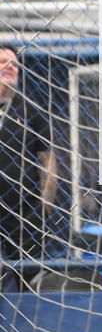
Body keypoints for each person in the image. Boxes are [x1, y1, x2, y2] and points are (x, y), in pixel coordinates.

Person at [0, 44, 57, 292]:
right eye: (3, 61)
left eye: (14, 63)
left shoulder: (30, 109)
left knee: (28, 279)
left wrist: (44, 206)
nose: (10, 66)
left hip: (23, 211)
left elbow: (48, 160)